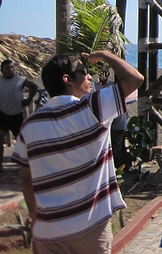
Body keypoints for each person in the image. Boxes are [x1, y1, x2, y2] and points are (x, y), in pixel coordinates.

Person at [11, 50, 143, 253]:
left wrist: (34, 217)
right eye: (84, 71)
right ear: (67, 79)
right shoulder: (94, 108)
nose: (90, 76)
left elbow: (26, 179)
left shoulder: (29, 125)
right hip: (89, 227)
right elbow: (135, 79)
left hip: (47, 232)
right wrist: (105, 55)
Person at [0, 59, 39, 171]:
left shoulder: (20, 80)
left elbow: (34, 87)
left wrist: (29, 99)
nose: (10, 70)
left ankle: (26, 165)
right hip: (2, 114)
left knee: (22, 141)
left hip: (16, 114)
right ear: (2, 70)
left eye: (12, 67)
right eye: (7, 68)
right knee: (0, 140)